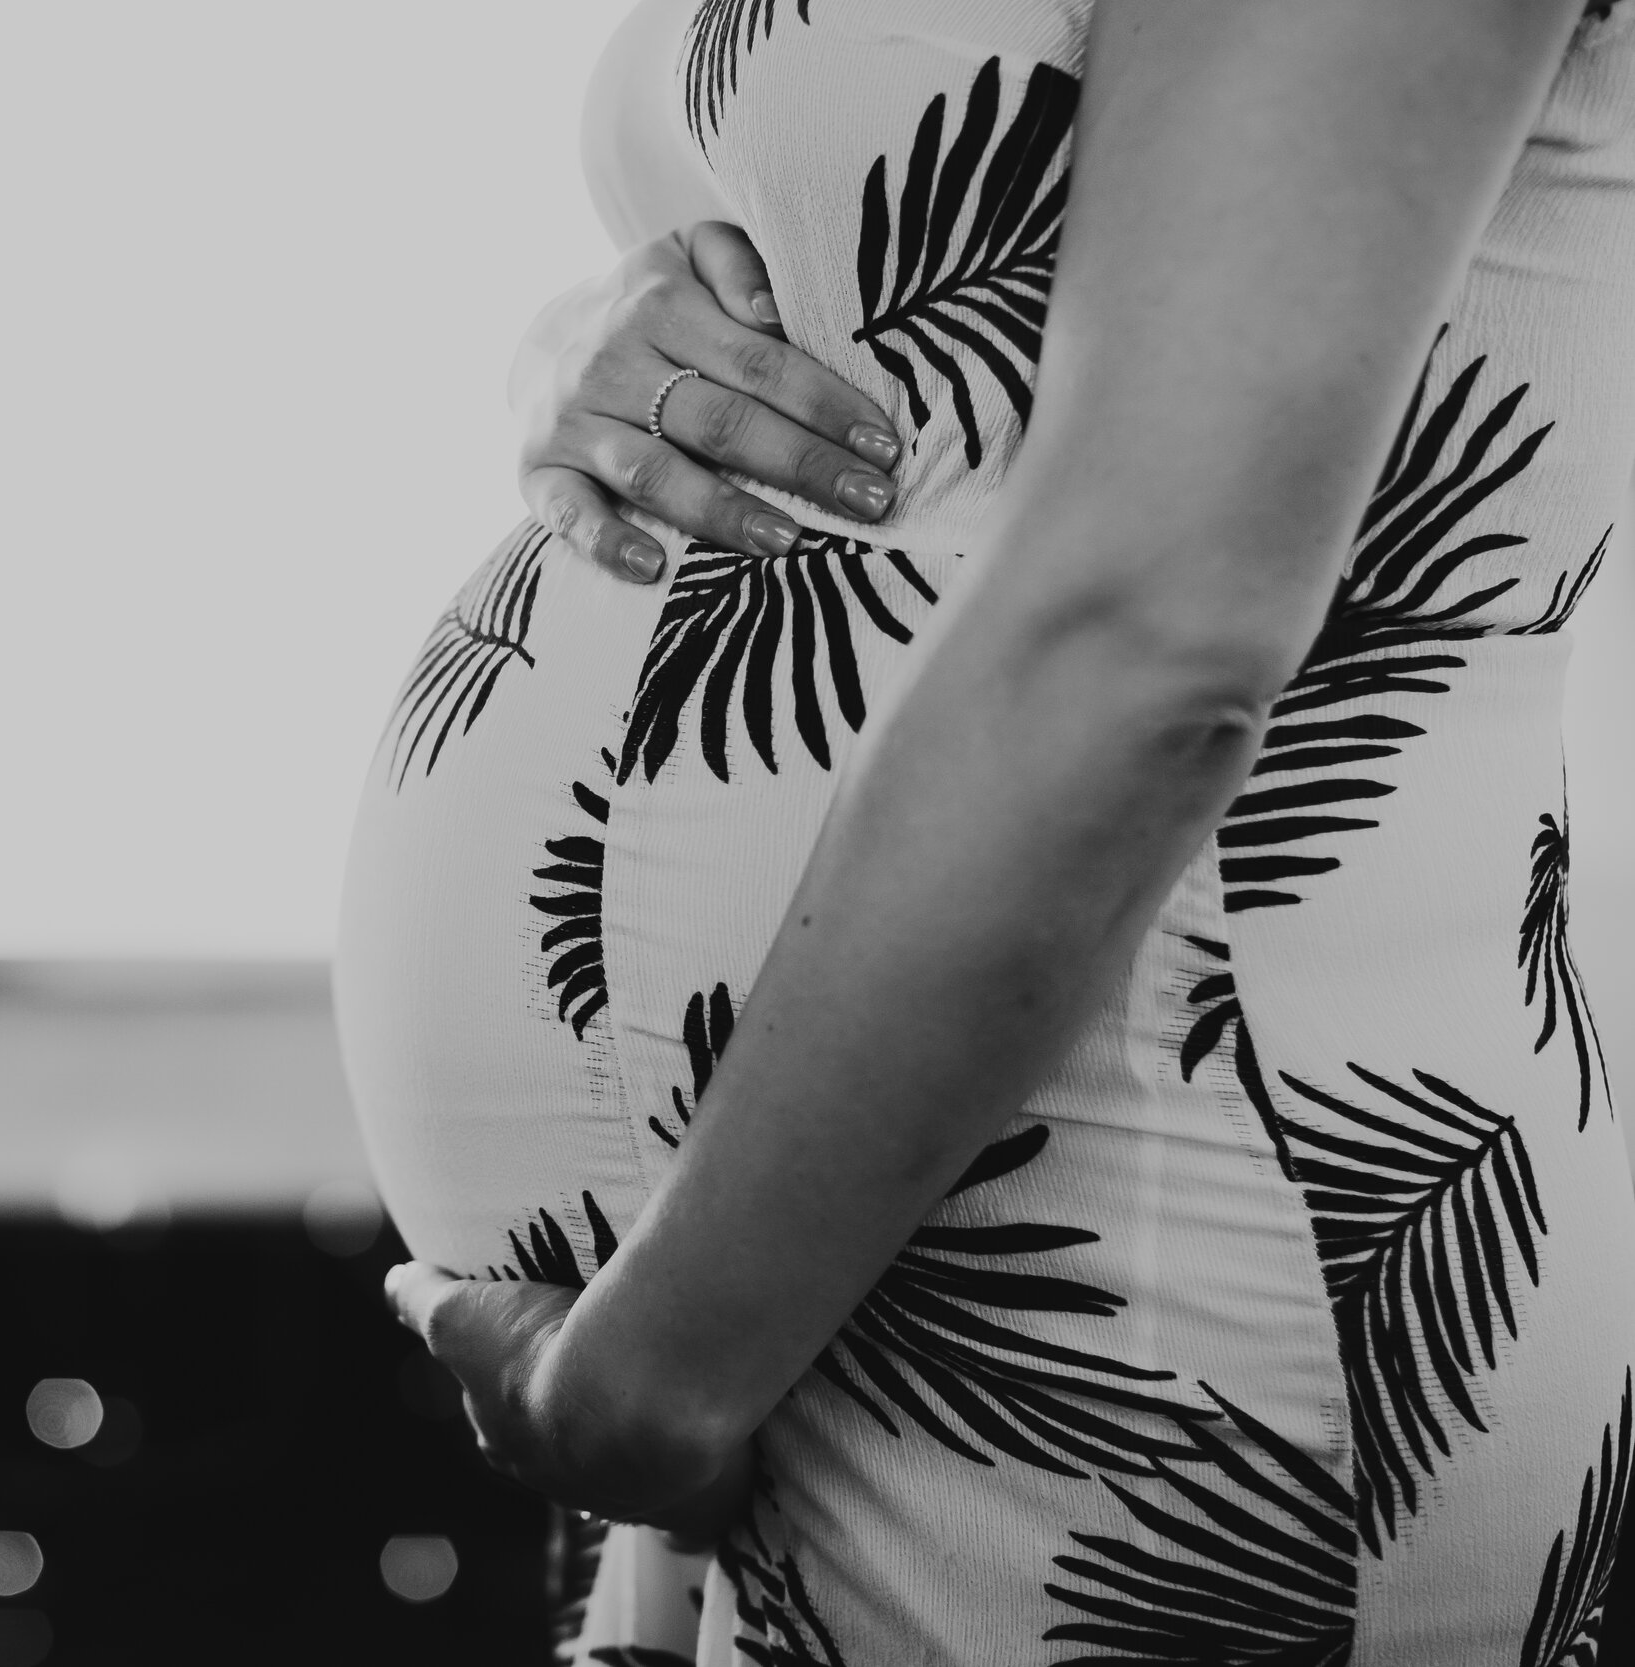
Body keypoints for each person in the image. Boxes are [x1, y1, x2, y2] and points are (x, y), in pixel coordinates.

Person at [332, 0, 1635, 1660]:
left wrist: (655, 1377)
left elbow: (1155, 634)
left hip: (1144, 1250)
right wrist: (595, 343)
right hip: (741, 1298)